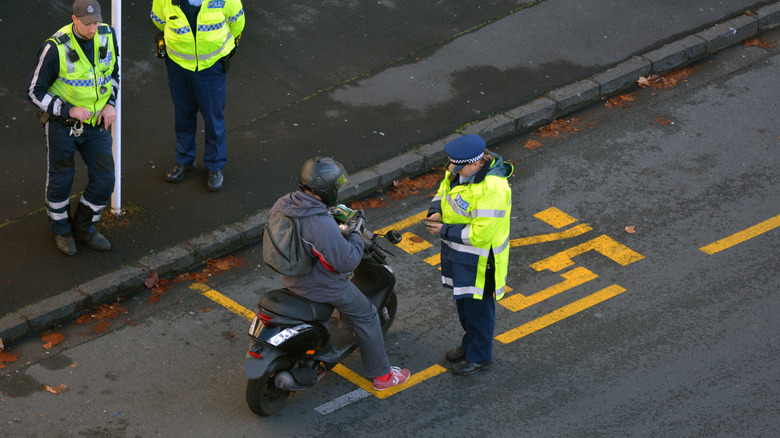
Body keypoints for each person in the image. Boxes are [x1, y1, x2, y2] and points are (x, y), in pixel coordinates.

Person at [269, 157, 411, 390]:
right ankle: (383, 377)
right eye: (335, 187)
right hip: (319, 284)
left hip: (291, 275)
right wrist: (354, 232)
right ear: (325, 189)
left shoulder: (285, 204)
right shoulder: (319, 223)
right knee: (366, 314)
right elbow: (347, 261)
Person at [27, 0, 119, 256]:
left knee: (105, 180)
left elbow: (113, 74)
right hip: (62, 125)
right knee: (61, 179)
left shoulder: (108, 36)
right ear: (74, 19)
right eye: (88, 23)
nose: (93, 28)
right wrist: (68, 110)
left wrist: (110, 103)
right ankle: (61, 230)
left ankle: (84, 228)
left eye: (97, 22)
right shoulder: (54, 47)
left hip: (96, 122)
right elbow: (34, 92)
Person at [425, 135, 513, 375]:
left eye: (460, 166)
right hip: (459, 252)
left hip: (481, 259)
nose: (454, 170)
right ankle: (469, 344)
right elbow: (444, 191)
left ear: (476, 163)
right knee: (464, 306)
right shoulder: (458, 169)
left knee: (479, 312)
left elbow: (481, 235)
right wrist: (435, 211)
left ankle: (480, 355)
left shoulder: (494, 189)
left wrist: (444, 230)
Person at [151, 0, 245, 191]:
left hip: (211, 67)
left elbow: (238, 24)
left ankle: (215, 166)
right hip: (178, 65)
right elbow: (159, 20)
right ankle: (184, 160)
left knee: (213, 119)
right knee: (183, 114)